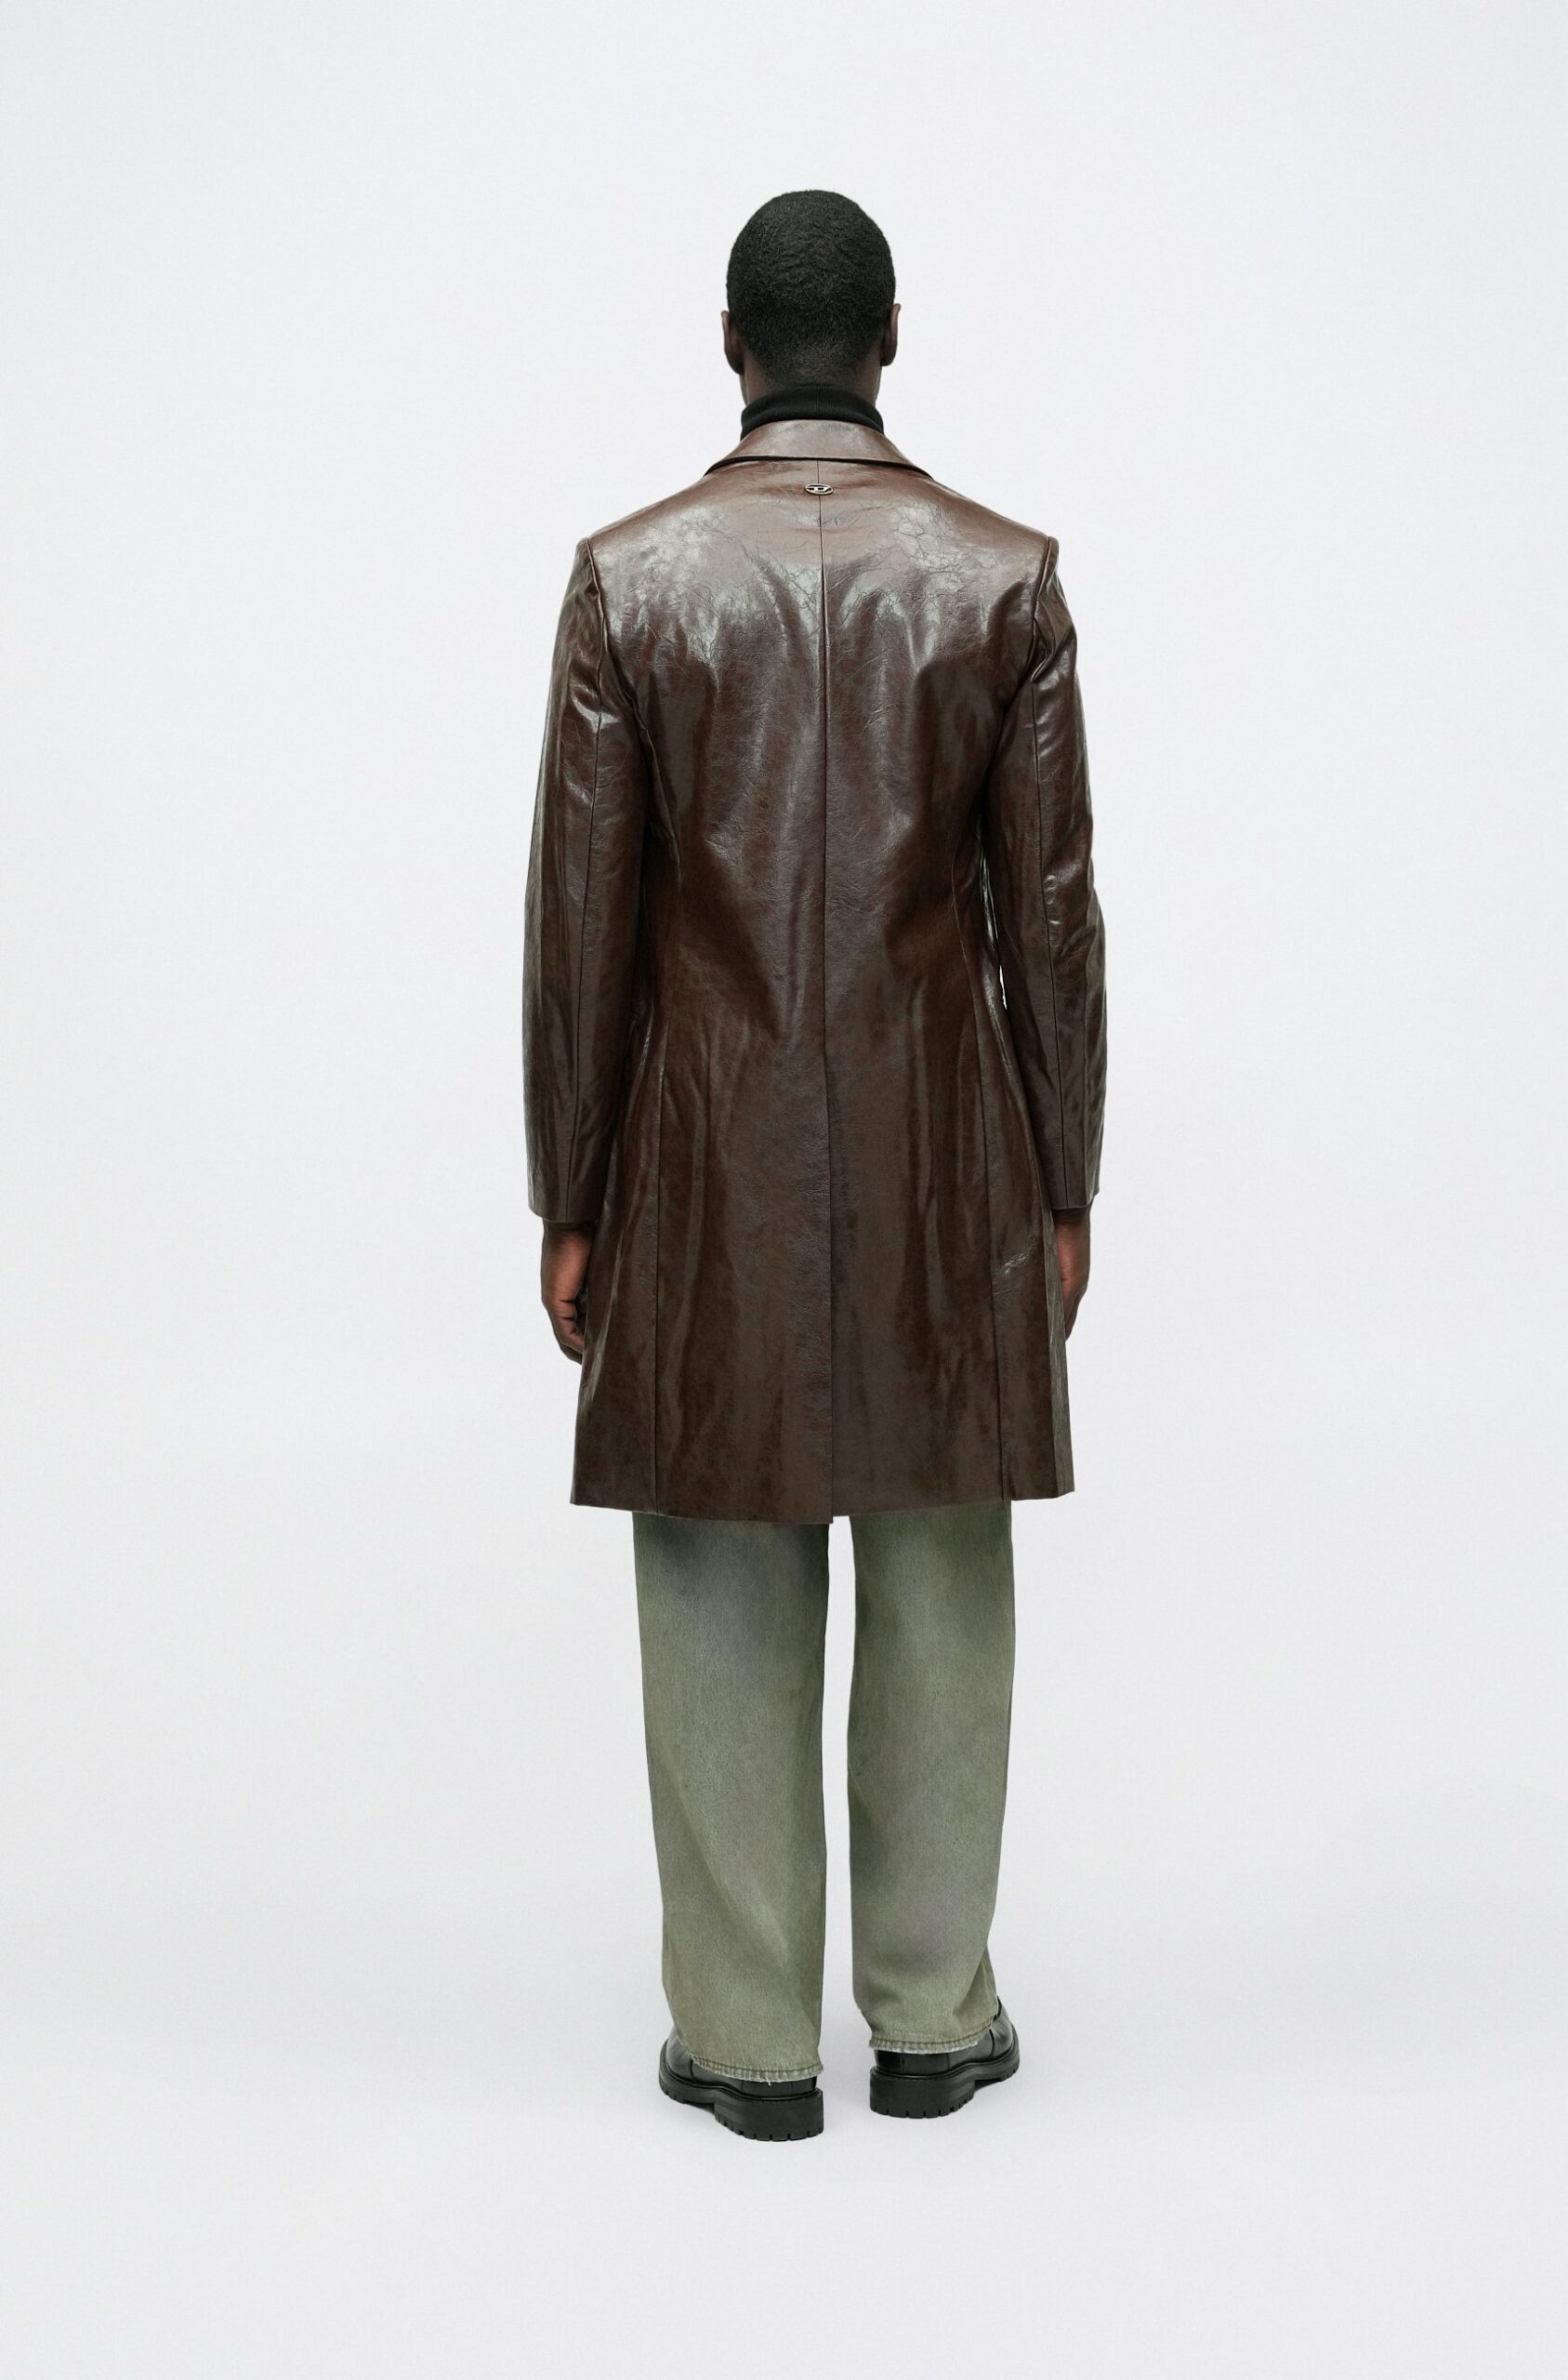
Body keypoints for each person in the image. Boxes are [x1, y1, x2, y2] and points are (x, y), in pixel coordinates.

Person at [523, 190, 1107, 2141]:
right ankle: (932, 2018)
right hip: (951, 1153)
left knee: (716, 1553)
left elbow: (582, 922)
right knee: (939, 1553)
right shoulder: (1003, 580)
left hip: (703, 1149)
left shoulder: (630, 582)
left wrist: (571, 1189)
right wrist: (1063, 1175)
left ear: (730, 343)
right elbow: (1051, 918)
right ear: (888, 338)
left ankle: (748, 2038)